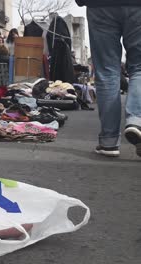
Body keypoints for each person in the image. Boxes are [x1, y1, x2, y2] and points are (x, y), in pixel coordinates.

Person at [76, 0, 141, 157]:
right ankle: (136, 119)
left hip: (100, 6)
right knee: (139, 67)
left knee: (106, 72)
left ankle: (109, 142)